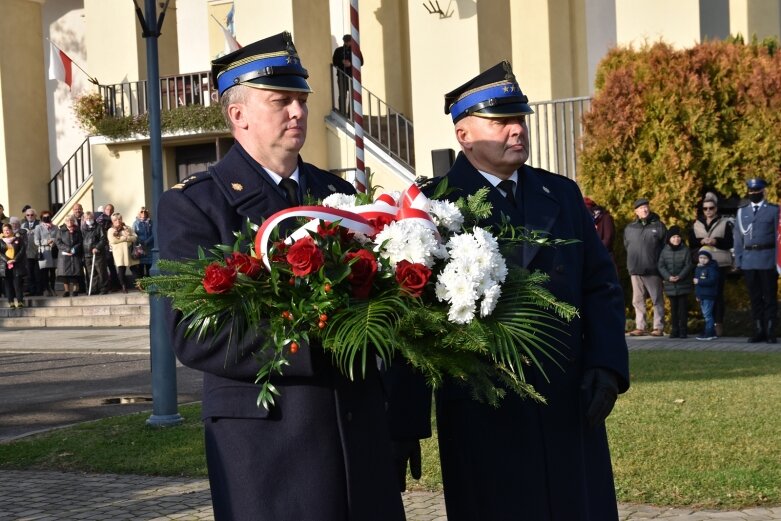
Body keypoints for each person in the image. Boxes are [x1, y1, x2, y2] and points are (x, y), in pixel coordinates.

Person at [157, 32, 403, 521]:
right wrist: (325, 341)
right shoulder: (195, 204)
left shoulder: (336, 193)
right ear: (238, 115)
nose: (298, 112)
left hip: (358, 432)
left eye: (302, 100)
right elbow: (195, 332)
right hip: (270, 442)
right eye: (281, 101)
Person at [394, 61, 630, 521]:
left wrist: (605, 365)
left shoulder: (559, 193)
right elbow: (411, 322)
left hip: (568, 397)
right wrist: (406, 422)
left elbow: (601, 286)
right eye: (501, 122)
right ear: (464, 135)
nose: (517, 130)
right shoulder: (433, 206)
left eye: (519, 119)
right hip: (483, 407)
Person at [733, 177, 779, 343]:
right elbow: (738, 239)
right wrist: (738, 261)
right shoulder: (741, 212)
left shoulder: (774, 210)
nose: (753, 194)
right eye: (750, 191)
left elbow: (778, 237)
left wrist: (778, 262)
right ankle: (759, 330)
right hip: (749, 260)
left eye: (756, 191)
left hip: (768, 258)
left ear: (762, 191)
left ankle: (770, 331)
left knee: (769, 297)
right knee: (755, 298)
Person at [689, 192, 734, 336]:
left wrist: (716, 241)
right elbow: (691, 242)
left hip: (719, 263)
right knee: (704, 295)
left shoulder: (724, 222)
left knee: (718, 294)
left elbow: (729, 242)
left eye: (711, 208)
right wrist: (701, 241)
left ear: (716, 209)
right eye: (705, 208)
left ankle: (718, 324)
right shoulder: (697, 224)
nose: (708, 211)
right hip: (702, 264)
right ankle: (708, 325)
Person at [624, 197, 667, 336]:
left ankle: (658, 327)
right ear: (636, 211)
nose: (645, 209)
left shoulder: (659, 226)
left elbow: (665, 247)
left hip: (653, 269)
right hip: (635, 269)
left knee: (657, 299)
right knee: (637, 300)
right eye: (641, 208)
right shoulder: (630, 228)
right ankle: (640, 327)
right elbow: (627, 246)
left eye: (646, 206)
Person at [657, 225, 693, 338]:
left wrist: (680, 276)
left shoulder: (685, 250)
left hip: (683, 283)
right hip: (670, 284)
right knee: (673, 309)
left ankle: (683, 330)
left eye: (678, 237)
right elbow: (661, 266)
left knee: (682, 309)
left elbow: (688, 265)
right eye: (673, 237)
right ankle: (674, 330)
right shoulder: (664, 251)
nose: (676, 239)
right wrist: (668, 277)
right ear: (669, 239)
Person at [332, 34, 363, 116]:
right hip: (342, 75)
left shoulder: (356, 50)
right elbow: (334, 62)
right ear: (344, 41)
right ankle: (342, 113)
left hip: (353, 77)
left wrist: (351, 63)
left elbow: (361, 62)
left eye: (349, 41)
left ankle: (351, 114)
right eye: (347, 41)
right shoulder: (339, 50)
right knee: (342, 95)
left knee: (353, 96)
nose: (348, 43)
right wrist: (342, 62)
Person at [107, 212, 138, 293]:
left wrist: (125, 238)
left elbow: (135, 237)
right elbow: (113, 240)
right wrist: (126, 238)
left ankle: (139, 285)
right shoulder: (111, 230)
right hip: (119, 253)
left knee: (134, 269)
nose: (118, 221)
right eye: (115, 220)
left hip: (129, 251)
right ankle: (123, 287)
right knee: (121, 270)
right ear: (112, 221)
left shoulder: (127, 227)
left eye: (119, 219)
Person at [694, 249, 719, 340]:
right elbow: (696, 285)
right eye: (700, 258)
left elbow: (712, 281)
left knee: (707, 315)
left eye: (705, 258)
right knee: (707, 314)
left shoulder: (712, 268)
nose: (702, 260)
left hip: (709, 295)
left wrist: (699, 281)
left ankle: (708, 333)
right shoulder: (698, 268)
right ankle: (712, 333)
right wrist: (697, 295)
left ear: (709, 259)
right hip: (701, 295)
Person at [55, 215, 84, 297]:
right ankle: (66, 290)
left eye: (71, 220)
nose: (70, 222)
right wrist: (68, 249)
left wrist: (75, 248)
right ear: (65, 222)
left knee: (75, 274)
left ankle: (75, 290)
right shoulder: (61, 231)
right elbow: (58, 242)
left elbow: (80, 241)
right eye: (68, 221)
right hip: (64, 255)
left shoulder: (77, 230)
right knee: (65, 275)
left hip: (75, 254)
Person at [1, 222, 28, 307]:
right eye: (4, 230)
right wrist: (7, 260)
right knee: (8, 285)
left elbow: (22, 250)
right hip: (5, 265)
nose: (6, 232)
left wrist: (14, 260)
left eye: (8, 230)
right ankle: (11, 302)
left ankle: (20, 301)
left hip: (17, 265)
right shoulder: (0, 241)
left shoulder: (18, 239)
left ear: (11, 230)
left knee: (18, 284)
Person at [81, 211, 108, 295]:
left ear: (93, 218)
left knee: (101, 271)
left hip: (98, 254)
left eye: (90, 218)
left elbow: (103, 239)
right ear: (84, 219)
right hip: (87, 254)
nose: (89, 220)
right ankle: (93, 289)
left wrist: (97, 247)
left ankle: (104, 288)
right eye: (87, 218)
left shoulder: (99, 227)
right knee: (91, 273)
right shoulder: (83, 229)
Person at [34, 210, 58, 296]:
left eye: (48, 217)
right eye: (44, 217)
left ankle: (52, 287)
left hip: (53, 251)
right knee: (44, 272)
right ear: (41, 218)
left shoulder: (55, 227)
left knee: (52, 272)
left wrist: (53, 241)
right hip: (44, 251)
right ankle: (46, 288)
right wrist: (46, 241)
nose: (46, 218)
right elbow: (36, 241)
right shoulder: (38, 227)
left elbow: (58, 238)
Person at [584, 197, 616, 261]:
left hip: (604, 256)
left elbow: (608, 237)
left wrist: (594, 250)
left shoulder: (605, 217)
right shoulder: (584, 221)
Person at [20, 207, 41, 296]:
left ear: (35, 216)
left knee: (37, 273)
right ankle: (32, 291)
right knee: (29, 273)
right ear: (26, 216)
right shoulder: (23, 225)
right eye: (28, 215)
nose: (30, 216)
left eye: (32, 215)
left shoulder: (39, 224)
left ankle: (39, 290)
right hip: (27, 253)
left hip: (38, 251)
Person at [132, 206, 153, 278]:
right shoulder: (135, 223)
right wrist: (140, 241)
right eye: (141, 212)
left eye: (145, 212)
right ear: (139, 213)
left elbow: (153, 234)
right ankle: (142, 284)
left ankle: (149, 283)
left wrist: (147, 241)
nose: (143, 213)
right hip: (140, 248)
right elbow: (134, 234)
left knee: (149, 267)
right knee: (140, 267)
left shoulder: (151, 222)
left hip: (149, 247)